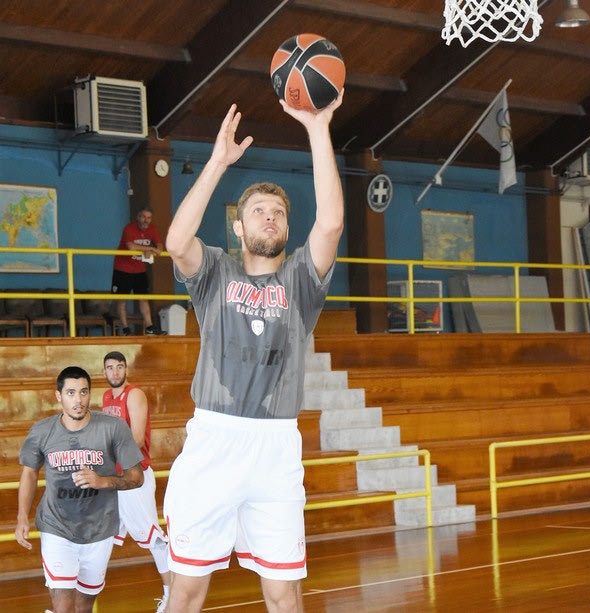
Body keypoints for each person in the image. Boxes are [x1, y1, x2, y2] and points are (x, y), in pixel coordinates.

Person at [163, 89, 344, 613]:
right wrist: (218, 163)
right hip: (214, 439)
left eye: (278, 213)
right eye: (259, 211)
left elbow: (331, 223)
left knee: (284, 593)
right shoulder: (215, 273)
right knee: (186, 590)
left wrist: (318, 130)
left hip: (275, 447)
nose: (270, 217)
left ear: (287, 229)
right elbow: (176, 243)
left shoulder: (301, 281)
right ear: (238, 227)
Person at [15, 366, 144, 613]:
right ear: (58, 396)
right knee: (63, 604)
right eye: (71, 393)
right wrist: (22, 517)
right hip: (56, 526)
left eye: (84, 392)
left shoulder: (113, 427)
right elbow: (29, 473)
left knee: (84, 606)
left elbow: (137, 477)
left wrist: (103, 481)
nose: (78, 400)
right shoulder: (42, 431)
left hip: (99, 528)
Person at [102, 350, 171, 613]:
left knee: (153, 538)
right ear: (104, 371)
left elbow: (137, 439)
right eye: (110, 368)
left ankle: (172, 595)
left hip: (134, 476)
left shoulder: (134, 395)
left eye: (119, 367)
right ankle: (74, 595)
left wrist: (104, 453)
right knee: (102, 535)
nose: (115, 372)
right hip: (115, 477)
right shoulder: (107, 397)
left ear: (126, 369)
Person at [111, 205, 167, 335]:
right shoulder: (129, 228)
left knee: (143, 298)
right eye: (143, 217)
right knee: (122, 299)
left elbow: (159, 246)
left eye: (149, 218)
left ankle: (149, 327)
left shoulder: (152, 229)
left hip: (139, 269)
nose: (146, 220)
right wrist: (150, 248)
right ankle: (125, 328)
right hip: (123, 268)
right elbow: (131, 246)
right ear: (138, 217)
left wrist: (155, 249)